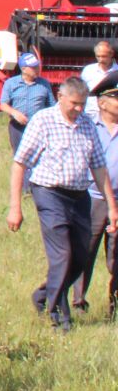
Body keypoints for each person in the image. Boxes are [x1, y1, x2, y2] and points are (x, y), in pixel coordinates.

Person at [7, 76, 118, 331]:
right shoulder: (43, 121)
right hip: (49, 193)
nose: (79, 109)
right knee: (63, 256)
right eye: (75, 104)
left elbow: (99, 168)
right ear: (60, 97)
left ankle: (43, 296)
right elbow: (19, 163)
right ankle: (59, 318)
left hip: (80, 197)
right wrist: (15, 207)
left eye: (82, 104)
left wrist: (112, 207)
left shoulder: (87, 124)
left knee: (79, 258)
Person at [69, 83, 118, 314]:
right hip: (92, 198)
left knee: (116, 258)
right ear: (102, 102)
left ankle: (114, 305)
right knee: (84, 252)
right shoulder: (87, 126)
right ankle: (78, 301)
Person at [2, 52, 55, 153]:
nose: (37, 69)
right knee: (19, 155)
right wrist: (15, 113)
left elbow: (52, 105)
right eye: (33, 67)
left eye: (37, 66)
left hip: (38, 128)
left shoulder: (44, 84)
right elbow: (3, 104)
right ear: (23, 69)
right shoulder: (11, 83)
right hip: (17, 127)